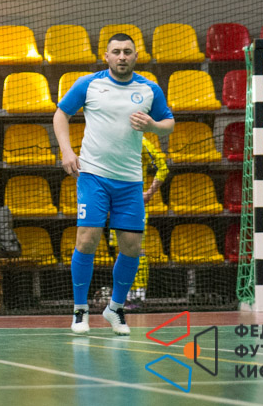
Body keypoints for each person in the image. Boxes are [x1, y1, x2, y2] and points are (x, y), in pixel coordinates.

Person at [53, 33, 174, 335]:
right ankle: (80, 310)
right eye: (116, 52)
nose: (122, 57)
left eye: (127, 52)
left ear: (136, 56)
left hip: (130, 181)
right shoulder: (89, 84)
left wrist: (153, 125)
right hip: (93, 175)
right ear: (106, 56)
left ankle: (115, 308)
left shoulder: (149, 89)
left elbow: (169, 123)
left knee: (132, 247)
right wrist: (67, 151)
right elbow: (61, 114)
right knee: (87, 240)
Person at [108, 135, 169, 308]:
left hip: (135, 205)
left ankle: (139, 295)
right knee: (120, 250)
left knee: (136, 249)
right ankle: (124, 295)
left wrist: (149, 193)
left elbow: (163, 168)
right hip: (116, 204)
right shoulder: (109, 141)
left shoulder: (142, 143)